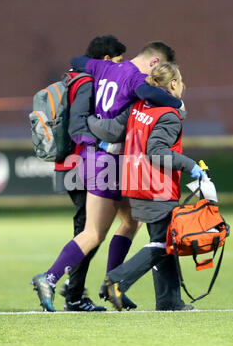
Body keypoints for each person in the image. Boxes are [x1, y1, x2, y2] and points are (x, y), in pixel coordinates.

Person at [34, 42, 187, 312]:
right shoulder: (136, 79)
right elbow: (144, 94)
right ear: (154, 63)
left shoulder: (105, 67)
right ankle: (49, 278)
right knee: (93, 232)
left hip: (111, 161)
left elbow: (77, 59)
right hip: (105, 160)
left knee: (131, 222)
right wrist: (177, 102)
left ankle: (112, 284)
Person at [89, 62, 205, 311]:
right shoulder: (168, 116)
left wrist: (85, 123)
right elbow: (156, 152)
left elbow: (116, 131)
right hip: (155, 186)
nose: (183, 87)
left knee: (163, 240)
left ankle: (169, 301)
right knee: (163, 243)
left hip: (134, 182)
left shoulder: (138, 106)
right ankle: (116, 280)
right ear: (173, 84)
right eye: (181, 82)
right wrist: (190, 165)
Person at [32, 35, 131, 312]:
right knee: (90, 232)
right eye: (119, 60)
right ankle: (71, 292)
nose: (121, 67)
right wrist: (103, 144)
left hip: (76, 164)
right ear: (107, 60)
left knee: (91, 230)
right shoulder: (87, 82)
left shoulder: (75, 76)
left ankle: (79, 289)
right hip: (79, 164)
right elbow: (77, 126)